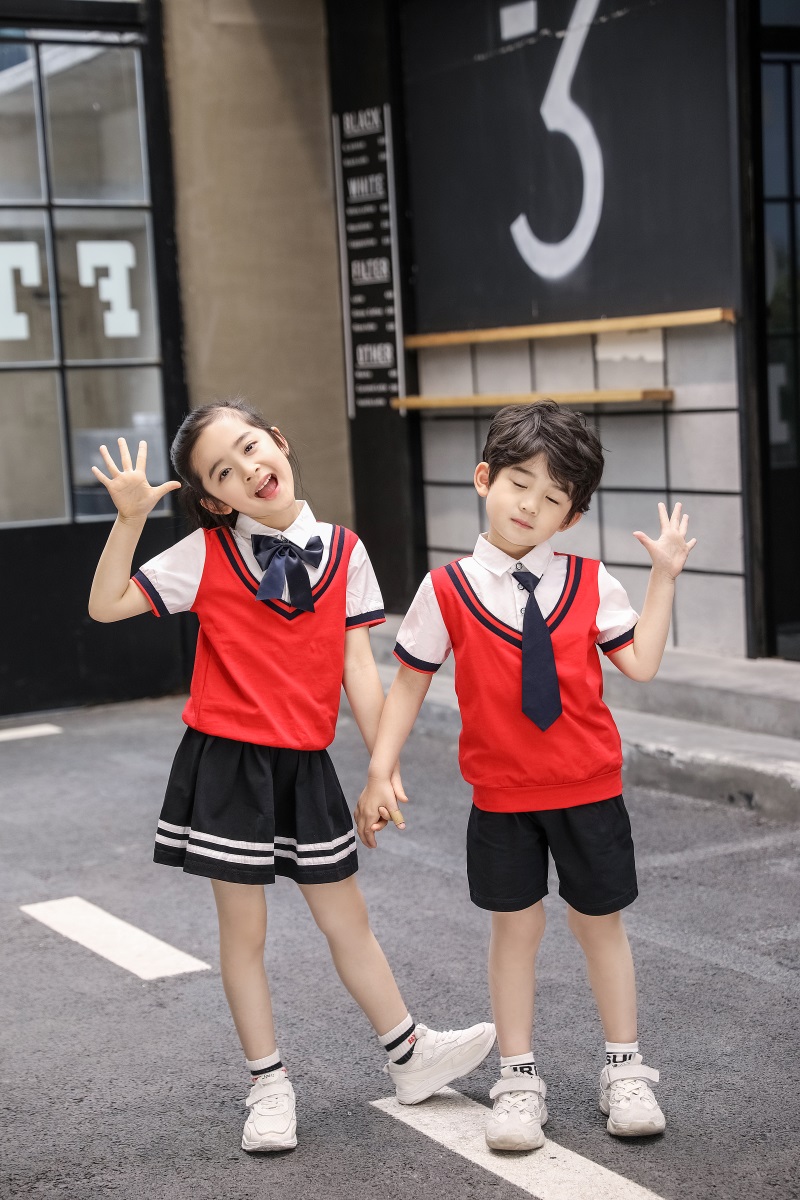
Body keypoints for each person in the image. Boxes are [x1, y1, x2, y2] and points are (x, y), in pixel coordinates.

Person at [87, 398, 495, 1154]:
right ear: (216, 501)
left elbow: (358, 669)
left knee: (348, 919)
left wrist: (381, 770)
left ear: (277, 440)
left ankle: (410, 1056)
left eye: (250, 447)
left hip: (307, 765)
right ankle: (268, 1084)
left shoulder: (345, 550)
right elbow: (106, 603)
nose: (248, 470)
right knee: (244, 934)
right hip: (227, 763)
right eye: (223, 473)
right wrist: (131, 518)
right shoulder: (206, 552)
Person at [356, 400, 697, 1152]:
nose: (530, 506)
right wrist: (380, 770)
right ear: (485, 478)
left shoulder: (591, 581)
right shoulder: (445, 590)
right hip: (502, 796)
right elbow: (408, 685)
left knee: (600, 926)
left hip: (589, 788)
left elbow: (640, 663)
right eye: (519, 484)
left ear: (571, 517)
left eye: (553, 498)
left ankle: (625, 1068)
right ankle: (517, 1079)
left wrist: (663, 578)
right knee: (514, 931)